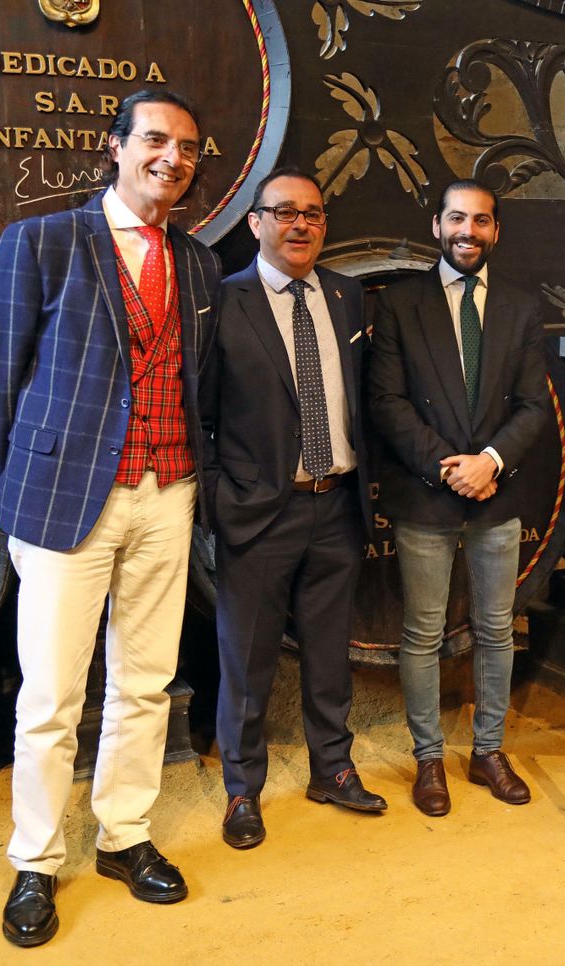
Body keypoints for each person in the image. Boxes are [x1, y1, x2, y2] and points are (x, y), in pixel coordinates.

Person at [0, 90, 222, 947]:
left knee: (145, 682)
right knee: (50, 694)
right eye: (156, 140)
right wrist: (27, 482)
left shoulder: (197, 262)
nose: (173, 158)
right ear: (116, 147)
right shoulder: (41, 241)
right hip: (66, 499)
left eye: (188, 147)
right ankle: (36, 860)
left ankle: (123, 835)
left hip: (169, 491)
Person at [200, 167, 387, 851]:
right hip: (258, 514)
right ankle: (242, 790)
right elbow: (200, 415)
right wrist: (221, 498)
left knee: (330, 654)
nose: (300, 224)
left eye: (312, 213)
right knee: (247, 661)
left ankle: (332, 770)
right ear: (256, 223)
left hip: (335, 506)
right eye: (284, 212)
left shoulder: (346, 296)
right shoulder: (225, 302)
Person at [368, 179, 550, 816]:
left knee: (497, 631)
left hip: (497, 492)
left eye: (481, 220)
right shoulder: (400, 303)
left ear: (496, 230)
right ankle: (429, 759)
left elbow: (533, 405)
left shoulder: (521, 307)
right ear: (437, 225)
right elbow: (386, 402)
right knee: (423, 633)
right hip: (428, 493)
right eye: (456, 219)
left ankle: (488, 752)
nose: (467, 231)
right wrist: (451, 470)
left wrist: (490, 462)